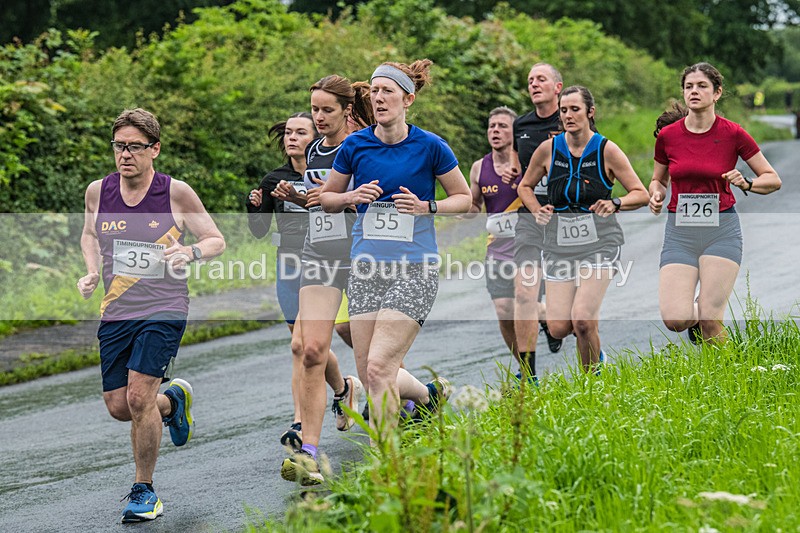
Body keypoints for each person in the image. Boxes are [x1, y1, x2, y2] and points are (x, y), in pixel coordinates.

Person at [77, 108, 225, 523]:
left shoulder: (175, 193)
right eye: (119, 146)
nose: (125, 154)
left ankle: (145, 491)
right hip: (116, 310)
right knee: (119, 406)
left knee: (138, 397)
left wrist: (189, 251)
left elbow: (216, 239)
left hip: (164, 306)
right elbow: (89, 233)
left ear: (154, 149)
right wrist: (91, 271)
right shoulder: (98, 191)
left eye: (135, 147)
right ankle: (173, 401)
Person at [320, 59, 471, 441]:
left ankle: (387, 463)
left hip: (415, 267)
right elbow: (326, 199)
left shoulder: (430, 146)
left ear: (408, 98)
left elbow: (464, 198)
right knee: (374, 374)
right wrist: (351, 195)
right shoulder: (355, 146)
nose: (379, 97)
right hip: (366, 269)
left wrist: (427, 207)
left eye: (387, 90)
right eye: (374, 90)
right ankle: (428, 397)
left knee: (379, 366)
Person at [275, 75, 372, 486]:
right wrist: (300, 198)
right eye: (313, 109)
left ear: (346, 111)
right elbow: (320, 205)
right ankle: (309, 453)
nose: (318, 117)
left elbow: (372, 199)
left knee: (375, 363)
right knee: (310, 349)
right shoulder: (316, 149)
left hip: (364, 256)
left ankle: (422, 397)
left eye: (326, 110)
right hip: (320, 256)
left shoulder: (367, 146)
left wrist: (343, 199)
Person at [518, 86, 649, 372]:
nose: (568, 115)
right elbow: (525, 186)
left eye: (574, 109)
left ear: (590, 112)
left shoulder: (607, 150)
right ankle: (597, 354)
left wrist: (615, 202)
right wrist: (536, 209)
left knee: (583, 320)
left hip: (600, 243)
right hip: (558, 246)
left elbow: (641, 193)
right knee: (558, 328)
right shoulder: (549, 149)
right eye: (563, 110)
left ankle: (593, 382)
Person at [649, 63, 781, 344]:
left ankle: (733, 377)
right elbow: (657, 180)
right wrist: (657, 194)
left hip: (721, 229)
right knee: (675, 320)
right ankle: (696, 317)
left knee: (711, 318)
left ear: (717, 93)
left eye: (702, 86)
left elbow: (772, 179)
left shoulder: (733, 133)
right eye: (688, 86)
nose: (694, 91)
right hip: (680, 233)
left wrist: (746, 183)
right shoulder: (668, 136)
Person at [246, 112, 354, 451]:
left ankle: (305, 416)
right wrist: (254, 206)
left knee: (325, 339)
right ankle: (334, 395)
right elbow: (259, 230)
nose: (293, 137)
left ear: (316, 137)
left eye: (301, 131)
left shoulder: (333, 171)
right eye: (289, 132)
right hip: (290, 265)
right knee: (303, 345)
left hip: (329, 260)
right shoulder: (273, 179)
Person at [510, 62, 565, 381]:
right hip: (530, 217)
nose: (534, 84)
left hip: (567, 217)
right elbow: (520, 168)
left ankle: (590, 350)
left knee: (569, 312)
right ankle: (527, 374)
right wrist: (511, 171)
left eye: (541, 79)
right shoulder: (522, 124)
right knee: (524, 294)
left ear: (558, 86)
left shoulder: (571, 116)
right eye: (530, 80)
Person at [467, 106, 527, 374]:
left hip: (529, 247)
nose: (495, 131)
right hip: (497, 251)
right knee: (504, 311)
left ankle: (555, 327)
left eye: (503, 126)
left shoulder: (526, 161)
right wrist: (459, 210)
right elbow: (474, 206)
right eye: (492, 126)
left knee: (529, 305)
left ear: (514, 132)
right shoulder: (480, 167)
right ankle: (526, 369)